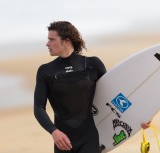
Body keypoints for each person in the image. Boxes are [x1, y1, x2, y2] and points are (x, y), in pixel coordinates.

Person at [34, 21, 106, 153]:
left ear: (66, 41)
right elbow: (38, 107)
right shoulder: (45, 71)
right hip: (63, 142)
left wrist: (141, 118)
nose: (47, 44)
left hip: (90, 139)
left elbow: (114, 96)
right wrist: (54, 131)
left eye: (51, 39)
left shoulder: (93, 64)